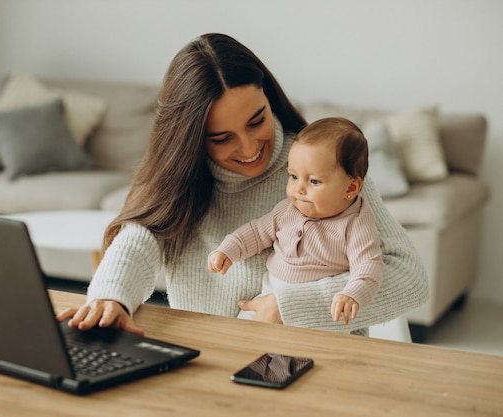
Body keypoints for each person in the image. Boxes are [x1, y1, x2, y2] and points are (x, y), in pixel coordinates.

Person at [57, 33, 428, 336]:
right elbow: (141, 236)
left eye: (256, 121)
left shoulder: (323, 171)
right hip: (207, 355)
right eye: (222, 138)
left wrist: (291, 307)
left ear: (269, 97)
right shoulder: (183, 177)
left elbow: (410, 277)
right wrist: (111, 299)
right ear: (192, 139)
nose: (250, 149)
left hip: (314, 359)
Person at [208, 117, 383, 325]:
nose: (299, 189)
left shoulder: (355, 223)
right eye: (293, 176)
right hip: (269, 294)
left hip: (314, 311)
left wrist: (353, 294)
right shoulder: (287, 211)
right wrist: (229, 249)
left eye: (314, 181)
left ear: (351, 188)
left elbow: (368, 264)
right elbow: (256, 232)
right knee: (241, 335)